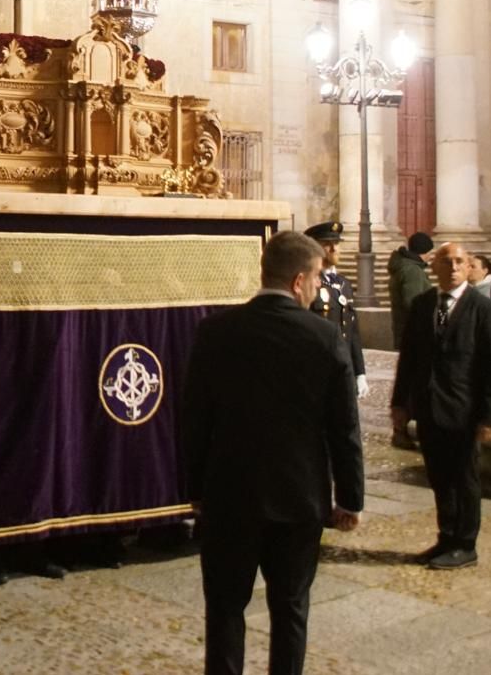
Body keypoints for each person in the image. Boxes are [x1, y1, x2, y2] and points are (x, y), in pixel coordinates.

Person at [181, 230, 363, 675]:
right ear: (299, 281)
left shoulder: (215, 331)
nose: (318, 287)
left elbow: (193, 419)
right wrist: (350, 498)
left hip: (230, 495)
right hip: (299, 499)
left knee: (225, 608)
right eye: (317, 278)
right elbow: (344, 428)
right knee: (291, 608)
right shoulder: (324, 337)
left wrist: (195, 489)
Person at [391, 241, 491, 570]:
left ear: (468, 267)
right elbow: (409, 358)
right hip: (429, 407)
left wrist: (489, 417)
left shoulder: (484, 309)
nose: (453, 267)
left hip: (464, 411)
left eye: (459, 261)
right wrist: (400, 403)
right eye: (446, 261)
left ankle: (465, 544)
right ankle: (447, 536)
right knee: (439, 477)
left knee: (464, 478)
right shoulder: (423, 304)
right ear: (435, 266)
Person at [303, 221, 368, 399]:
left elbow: (353, 331)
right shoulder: (309, 284)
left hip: (343, 367)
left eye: (337, 243)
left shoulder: (343, 283)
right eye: (327, 244)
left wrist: (360, 372)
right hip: (319, 367)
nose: (334, 249)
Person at [387, 231, 433, 351]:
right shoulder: (412, 271)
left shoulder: (405, 267)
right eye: (430, 252)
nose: (430, 256)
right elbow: (413, 303)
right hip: (414, 333)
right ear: (425, 251)